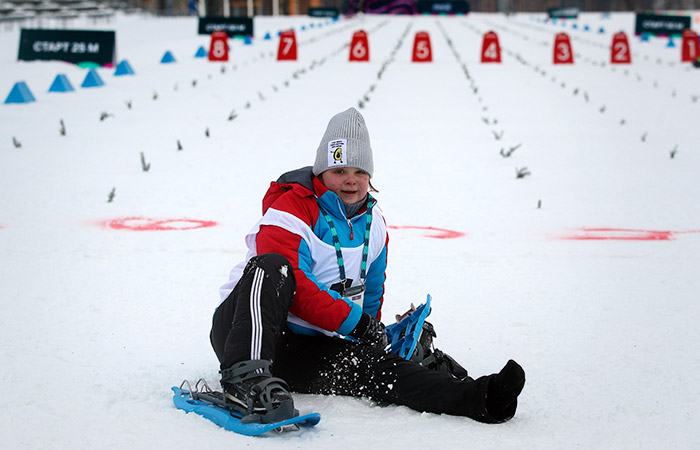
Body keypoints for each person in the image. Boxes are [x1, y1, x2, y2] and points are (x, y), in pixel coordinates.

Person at [210, 107, 525, 424]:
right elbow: (299, 289)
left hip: (303, 349)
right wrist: (357, 323)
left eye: (360, 172)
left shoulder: (374, 224)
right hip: (243, 330)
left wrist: (372, 336)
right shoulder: (291, 208)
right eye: (340, 171)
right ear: (321, 173)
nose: (351, 181)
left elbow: (371, 292)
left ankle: (481, 398)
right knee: (274, 265)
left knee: (381, 370)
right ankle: (244, 382)